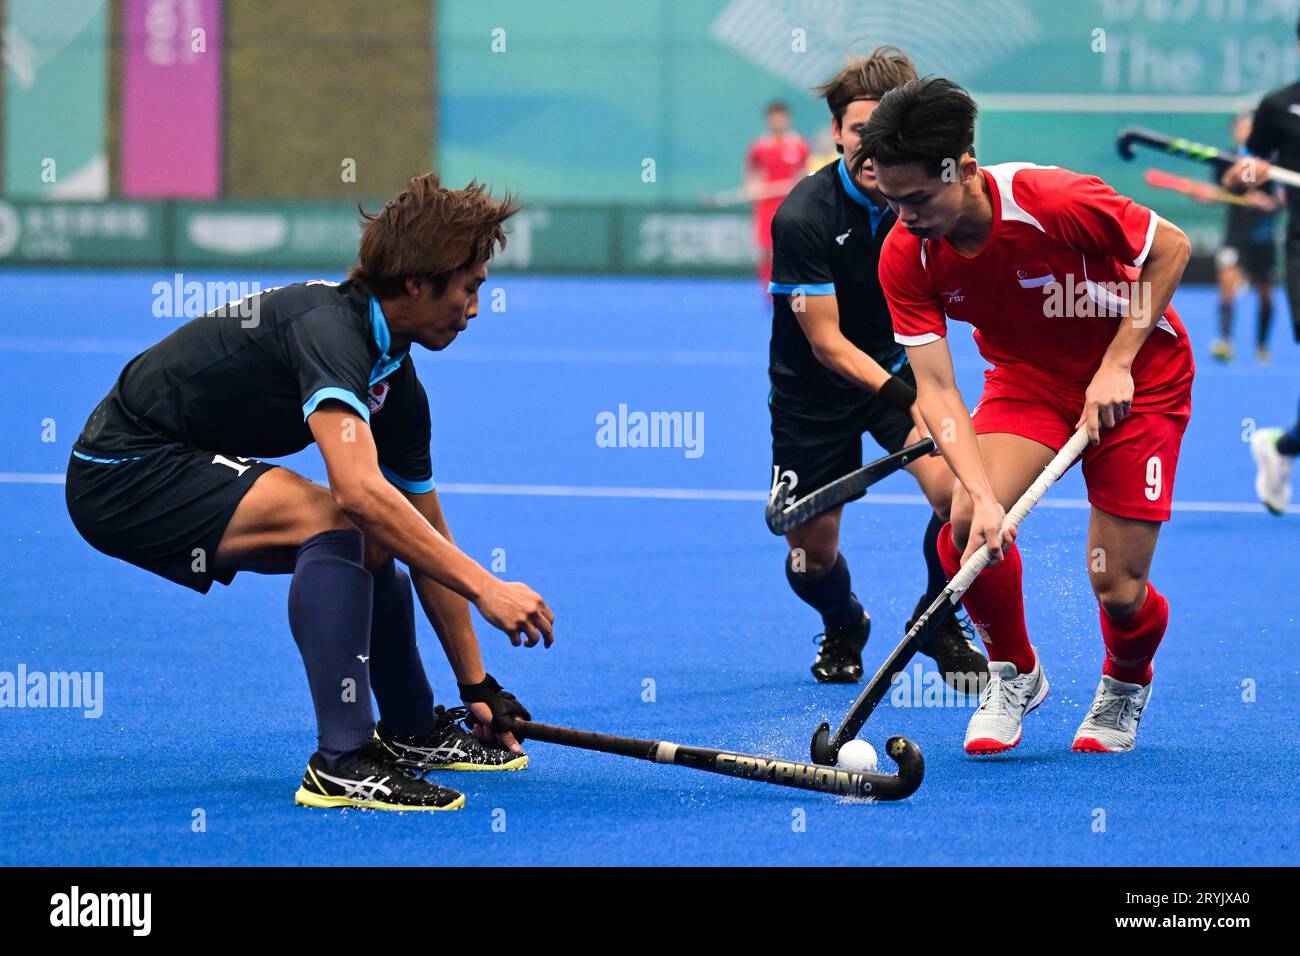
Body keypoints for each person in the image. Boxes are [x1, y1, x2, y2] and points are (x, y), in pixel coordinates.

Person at [66, 173, 555, 810]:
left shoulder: (394, 376)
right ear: (416, 283)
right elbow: (356, 495)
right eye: (469, 289)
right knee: (344, 520)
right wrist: (488, 587)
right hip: (121, 469)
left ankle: (409, 732)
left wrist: (477, 683)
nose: (475, 309)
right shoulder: (331, 331)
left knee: (382, 535)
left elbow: (423, 532)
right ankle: (342, 761)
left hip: (171, 459)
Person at [865, 77, 1195, 754]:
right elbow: (937, 389)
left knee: (1117, 585)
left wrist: (1118, 361)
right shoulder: (906, 252)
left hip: (1143, 380)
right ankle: (1014, 671)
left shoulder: (1052, 200)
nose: (905, 216)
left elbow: (1172, 250)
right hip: (1028, 383)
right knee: (964, 528)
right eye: (891, 200)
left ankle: (1126, 680)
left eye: (918, 198)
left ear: (961, 169)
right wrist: (984, 496)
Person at [767, 47, 986, 686]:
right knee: (810, 559)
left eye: (883, 132)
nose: (870, 148)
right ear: (836, 132)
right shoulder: (804, 217)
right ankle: (844, 622)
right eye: (859, 131)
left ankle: (937, 619)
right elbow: (826, 344)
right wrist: (906, 396)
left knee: (963, 501)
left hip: (901, 372)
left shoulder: (925, 196)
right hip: (815, 395)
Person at [1211, 113, 1280, 365]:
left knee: (1265, 296)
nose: (1246, 133)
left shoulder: (1273, 160)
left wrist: (1268, 202)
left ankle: (1261, 345)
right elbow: (1219, 190)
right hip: (1235, 235)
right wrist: (1218, 194)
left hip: (1262, 237)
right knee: (1227, 284)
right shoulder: (1225, 159)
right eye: (1242, 129)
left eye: (1250, 129)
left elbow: (1282, 198)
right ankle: (1225, 341)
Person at [745, 100, 810, 290]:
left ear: (787, 119)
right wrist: (752, 188)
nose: (778, 122)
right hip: (766, 204)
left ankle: (787, 287)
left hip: (790, 203)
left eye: (781, 118)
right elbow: (750, 171)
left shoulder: (799, 145)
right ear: (768, 121)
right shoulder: (759, 147)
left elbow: (805, 172)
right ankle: (769, 290)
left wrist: (800, 185)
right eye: (774, 119)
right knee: (765, 250)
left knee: (789, 247)